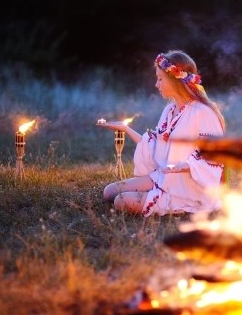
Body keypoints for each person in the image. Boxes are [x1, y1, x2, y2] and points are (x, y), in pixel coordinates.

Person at [97, 50, 226, 217]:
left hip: (188, 187)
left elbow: (214, 154)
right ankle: (157, 191)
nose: (156, 85)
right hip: (163, 177)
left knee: (120, 201)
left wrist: (185, 167)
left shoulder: (203, 112)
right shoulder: (169, 110)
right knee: (109, 191)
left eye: (160, 79)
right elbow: (155, 146)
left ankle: (180, 204)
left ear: (175, 80)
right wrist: (126, 129)